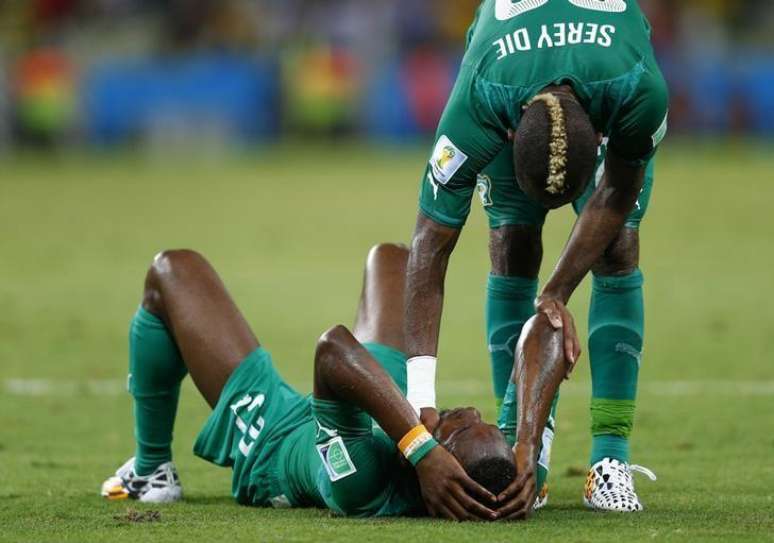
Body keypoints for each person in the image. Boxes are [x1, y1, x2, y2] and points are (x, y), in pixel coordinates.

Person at [404, 0, 666, 512]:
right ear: (505, 133)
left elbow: (614, 192)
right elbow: (429, 246)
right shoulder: (479, 100)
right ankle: (520, 445)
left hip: (605, 88)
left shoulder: (638, 87)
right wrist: (420, 402)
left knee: (617, 248)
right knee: (511, 244)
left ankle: (609, 460)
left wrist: (556, 292)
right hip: (510, 85)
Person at [100, 244, 565, 520]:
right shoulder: (507, 473)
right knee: (395, 260)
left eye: (457, 430)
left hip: (279, 436)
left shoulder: (364, 483)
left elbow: (332, 350)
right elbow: (551, 329)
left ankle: (151, 468)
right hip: (382, 401)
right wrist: (525, 442)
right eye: (487, 425)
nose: (468, 412)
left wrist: (420, 449)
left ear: (435, 476)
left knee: (171, 269)